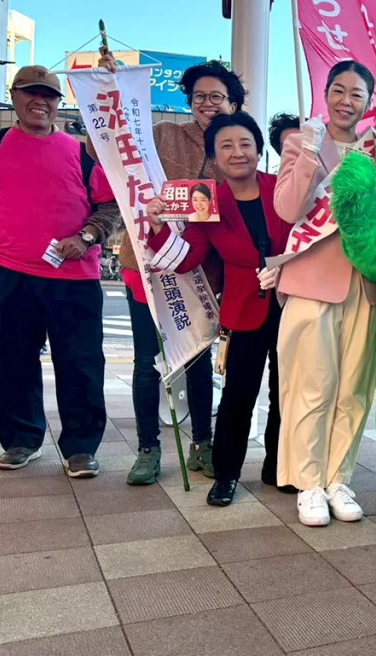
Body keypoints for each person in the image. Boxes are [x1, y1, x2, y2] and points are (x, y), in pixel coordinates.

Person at [0, 66, 121, 476]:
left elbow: (110, 206)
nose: (39, 102)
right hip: (6, 274)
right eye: (30, 93)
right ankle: (20, 440)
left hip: (75, 279)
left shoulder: (81, 152)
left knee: (81, 362)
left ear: (58, 103)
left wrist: (85, 237)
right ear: (13, 97)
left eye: (48, 95)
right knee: (12, 361)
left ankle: (81, 447)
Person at [93, 48, 245, 485]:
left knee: (197, 357)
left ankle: (202, 442)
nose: (207, 103)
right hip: (145, 264)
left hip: (203, 272)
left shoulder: (235, 149)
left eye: (217, 96)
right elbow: (109, 148)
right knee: (146, 362)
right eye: (199, 96)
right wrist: (110, 91)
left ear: (233, 102)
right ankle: (148, 449)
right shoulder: (160, 134)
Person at [145, 111, 290, 507]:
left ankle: (279, 465)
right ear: (214, 156)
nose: (237, 152)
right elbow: (187, 258)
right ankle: (226, 474)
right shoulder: (208, 203)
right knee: (238, 396)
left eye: (245, 143)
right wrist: (157, 227)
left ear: (259, 149)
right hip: (244, 310)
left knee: (287, 392)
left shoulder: (282, 189)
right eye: (226, 146)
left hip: (292, 304)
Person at [274, 61, 376, 526]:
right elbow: (288, 208)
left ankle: (339, 477)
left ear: (368, 102)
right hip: (312, 282)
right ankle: (308, 482)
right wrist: (312, 154)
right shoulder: (301, 142)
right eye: (338, 90)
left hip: (364, 284)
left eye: (356, 94)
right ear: (325, 93)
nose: (346, 101)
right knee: (310, 388)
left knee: (354, 389)